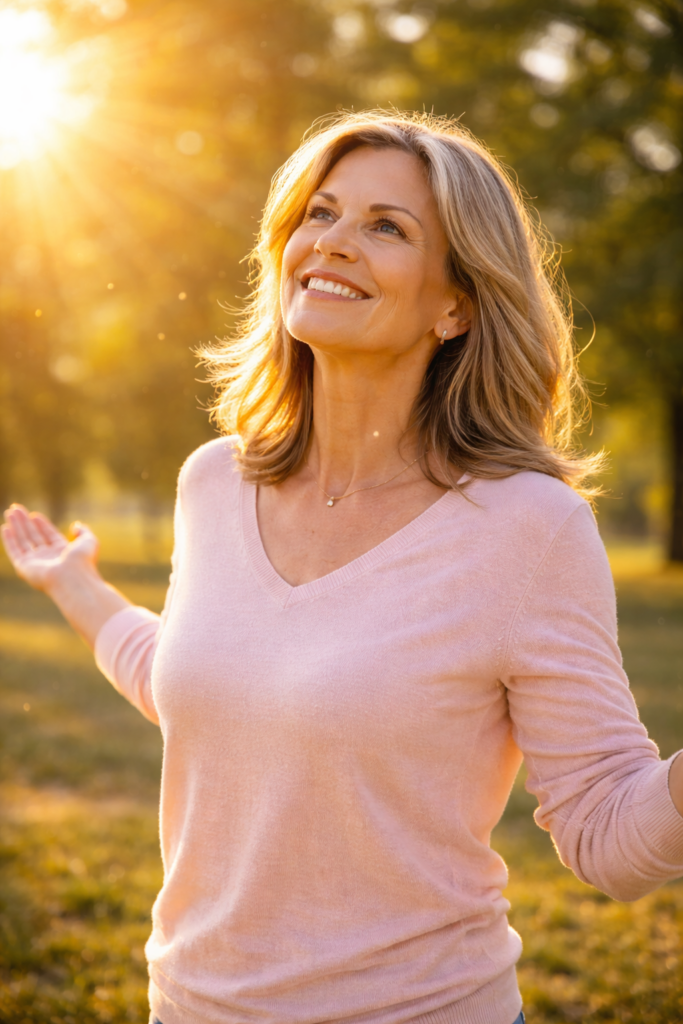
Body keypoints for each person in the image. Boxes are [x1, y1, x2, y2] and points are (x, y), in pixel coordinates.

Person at [3, 110, 683, 1024]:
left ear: (458, 304)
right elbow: (211, 687)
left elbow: (608, 832)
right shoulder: (214, 482)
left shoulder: (527, 528)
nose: (331, 242)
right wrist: (74, 586)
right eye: (319, 213)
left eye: (386, 227)